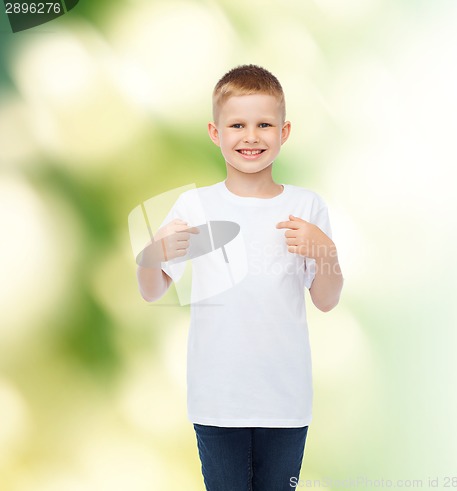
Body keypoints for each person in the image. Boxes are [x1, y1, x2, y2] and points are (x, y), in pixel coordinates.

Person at [136, 64, 344, 491]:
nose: (251, 136)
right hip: (218, 400)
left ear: (284, 132)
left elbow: (326, 300)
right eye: (238, 125)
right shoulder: (195, 207)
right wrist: (150, 256)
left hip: (285, 400)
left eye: (264, 124)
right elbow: (153, 290)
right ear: (216, 133)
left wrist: (326, 251)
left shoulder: (307, 207)